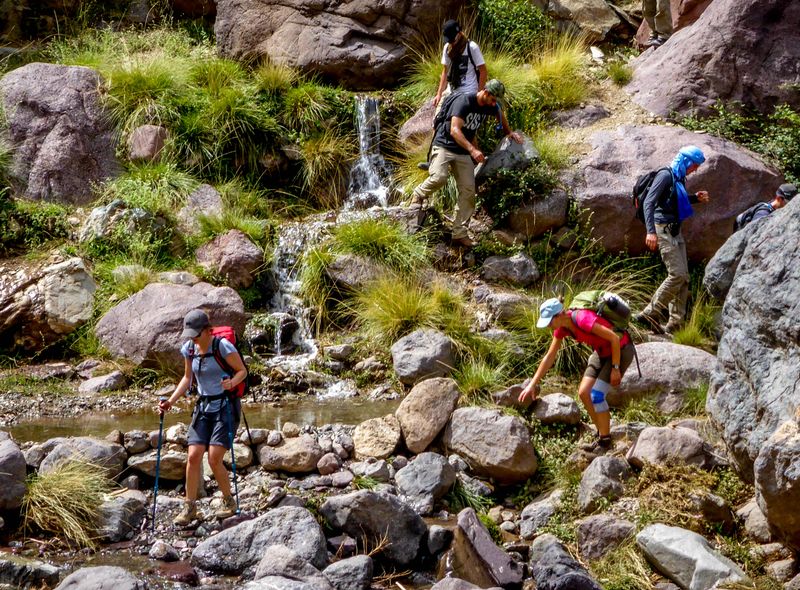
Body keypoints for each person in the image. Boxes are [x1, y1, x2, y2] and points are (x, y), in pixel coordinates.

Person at [158, 309, 247, 526]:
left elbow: (242, 371)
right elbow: (188, 378)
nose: (193, 338)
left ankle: (229, 502)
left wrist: (232, 383)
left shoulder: (222, 346)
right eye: (190, 334)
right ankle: (190, 507)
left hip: (225, 407)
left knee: (214, 457)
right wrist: (171, 401)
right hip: (203, 407)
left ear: (208, 330)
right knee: (193, 455)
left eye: (196, 334)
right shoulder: (189, 349)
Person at [410, 79, 522, 247]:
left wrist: (509, 132)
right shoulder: (465, 101)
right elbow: (455, 130)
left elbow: (500, 113)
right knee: (440, 177)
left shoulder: (490, 106)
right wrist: (474, 150)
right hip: (444, 146)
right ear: (485, 93)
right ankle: (418, 193)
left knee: (468, 192)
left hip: (462, 152)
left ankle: (459, 233)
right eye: (493, 100)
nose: (494, 104)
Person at [518, 297, 635, 451]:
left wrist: (615, 368)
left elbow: (613, 338)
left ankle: (605, 443)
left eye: (549, 322)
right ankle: (601, 433)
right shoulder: (561, 329)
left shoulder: (583, 318)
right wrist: (532, 385)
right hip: (601, 352)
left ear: (559, 315)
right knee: (583, 392)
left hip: (620, 350)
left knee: (597, 395)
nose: (548, 326)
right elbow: (550, 356)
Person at [634, 145, 709, 334]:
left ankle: (675, 324)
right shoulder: (666, 175)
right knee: (676, 274)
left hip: (676, 231)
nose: (695, 169)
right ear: (686, 161)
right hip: (663, 230)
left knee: (684, 277)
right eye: (694, 165)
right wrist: (650, 231)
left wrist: (695, 199)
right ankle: (649, 313)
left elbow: (673, 201)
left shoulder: (678, 177)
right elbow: (650, 202)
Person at [433, 19, 487, 110]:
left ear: (459, 34)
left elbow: (483, 71)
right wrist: (439, 94)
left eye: (452, 40)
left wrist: (479, 93)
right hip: (451, 90)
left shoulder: (472, 47)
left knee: (456, 116)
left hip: (468, 91)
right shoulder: (447, 48)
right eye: (448, 40)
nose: (451, 43)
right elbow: (445, 72)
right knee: (438, 117)